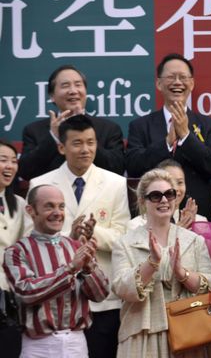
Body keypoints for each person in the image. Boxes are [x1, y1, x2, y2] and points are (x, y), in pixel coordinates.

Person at [28, 115, 130, 358]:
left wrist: (93, 233)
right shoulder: (39, 184)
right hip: (56, 299)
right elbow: (32, 242)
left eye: (91, 142)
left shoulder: (115, 183)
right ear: (62, 147)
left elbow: (123, 238)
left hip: (103, 299)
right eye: (77, 143)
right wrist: (69, 237)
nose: (85, 150)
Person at [111, 169, 211, 358]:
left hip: (192, 334)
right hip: (142, 336)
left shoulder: (194, 241)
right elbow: (121, 288)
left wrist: (183, 274)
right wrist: (151, 263)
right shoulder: (125, 243)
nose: (164, 200)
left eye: (169, 194)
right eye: (155, 196)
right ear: (143, 201)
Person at [3, 185, 109, 357]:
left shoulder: (76, 246)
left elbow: (101, 295)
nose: (57, 212)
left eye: (61, 206)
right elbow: (26, 293)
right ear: (31, 210)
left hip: (77, 344)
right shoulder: (16, 251)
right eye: (49, 206)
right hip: (38, 347)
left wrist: (89, 269)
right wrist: (70, 269)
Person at [126, 53, 211, 221]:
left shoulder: (210, 126)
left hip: (197, 214)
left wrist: (186, 136)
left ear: (191, 84)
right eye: (171, 77)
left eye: (183, 77)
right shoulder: (140, 126)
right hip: (152, 215)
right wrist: (166, 143)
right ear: (158, 83)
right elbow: (134, 167)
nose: (177, 82)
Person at [19, 64, 125, 180]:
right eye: (65, 86)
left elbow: (117, 169)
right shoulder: (34, 130)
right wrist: (53, 137)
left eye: (78, 85)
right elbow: (25, 172)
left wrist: (85, 133)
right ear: (52, 96)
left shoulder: (109, 128)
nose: (73, 91)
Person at [0, 140, 28, 357]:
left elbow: (25, 247)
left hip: (9, 300)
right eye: (2, 160)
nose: (9, 166)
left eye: (13, 161)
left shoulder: (19, 203)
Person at [128, 159, 207, 229]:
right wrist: (176, 233)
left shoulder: (200, 221)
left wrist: (194, 230)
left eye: (180, 182)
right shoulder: (136, 225)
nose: (175, 189)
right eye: (169, 182)